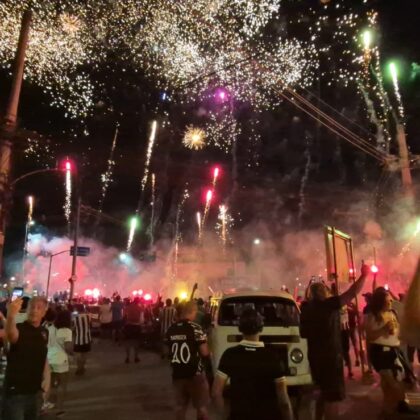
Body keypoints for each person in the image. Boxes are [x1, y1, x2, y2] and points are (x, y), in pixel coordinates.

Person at [300, 264, 370, 420]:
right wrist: (364, 275)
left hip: (314, 358)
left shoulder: (305, 309)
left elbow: (303, 333)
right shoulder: (328, 305)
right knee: (332, 398)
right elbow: (352, 293)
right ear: (323, 293)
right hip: (330, 358)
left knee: (322, 392)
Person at [212, 308, 293, 420]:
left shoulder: (230, 354)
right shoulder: (272, 356)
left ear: (240, 328)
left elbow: (216, 392)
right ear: (261, 328)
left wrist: (223, 415)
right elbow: (283, 400)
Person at [365, 288, 416, 415]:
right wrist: (383, 329)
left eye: (390, 300)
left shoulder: (392, 313)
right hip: (381, 354)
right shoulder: (373, 316)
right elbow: (370, 336)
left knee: (387, 385)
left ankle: (386, 411)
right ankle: (401, 404)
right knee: (394, 383)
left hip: (393, 351)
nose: (390, 302)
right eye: (388, 300)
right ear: (380, 302)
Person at [3, 297, 50, 420]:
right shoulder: (20, 328)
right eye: (31, 307)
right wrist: (10, 316)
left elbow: (43, 357)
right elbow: (11, 335)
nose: (34, 310)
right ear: (27, 309)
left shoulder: (44, 332)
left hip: (35, 393)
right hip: (15, 394)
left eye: (39, 308)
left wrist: (47, 380)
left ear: (44, 312)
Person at [166, 301, 210, 420]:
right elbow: (204, 352)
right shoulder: (196, 328)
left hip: (177, 373)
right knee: (201, 407)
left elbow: (167, 350)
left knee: (180, 407)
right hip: (195, 373)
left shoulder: (171, 329)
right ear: (192, 312)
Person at [46, 309, 73, 416]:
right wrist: (72, 354)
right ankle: (60, 408)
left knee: (50, 384)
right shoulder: (67, 331)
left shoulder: (50, 328)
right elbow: (68, 347)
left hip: (48, 359)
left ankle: (48, 404)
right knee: (62, 385)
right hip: (61, 360)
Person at [73, 303, 92, 375]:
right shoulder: (88, 316)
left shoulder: (75, 318)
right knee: (84, 354)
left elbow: (73, 328)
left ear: (77, 309)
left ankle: (79, 368)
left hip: (78, 339)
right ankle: (83, 367)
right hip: (87, 338)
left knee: (78, 355)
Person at [123, 297, 143, 363]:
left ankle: (127, 358)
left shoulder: (127, 307)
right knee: (136, 342)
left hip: (128, 326)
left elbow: (124, 316)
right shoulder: (140, 308)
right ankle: (136, 357)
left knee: (128, 342)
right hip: (136, 326)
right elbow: (141, 320)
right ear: (138, 302)